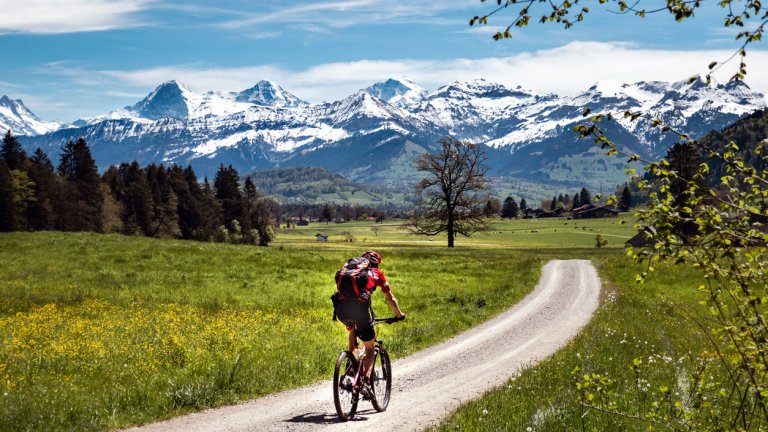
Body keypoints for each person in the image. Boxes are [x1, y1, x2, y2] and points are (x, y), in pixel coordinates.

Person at [341, 250, 405, 394]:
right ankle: (365, 382)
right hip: (360, 309)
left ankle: (351, 362)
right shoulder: (377, 273)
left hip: (341, 308)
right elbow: (390, 298)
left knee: (353, 329)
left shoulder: (351, 271)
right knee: (370, 348)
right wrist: (399, 315)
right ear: (376, 263)